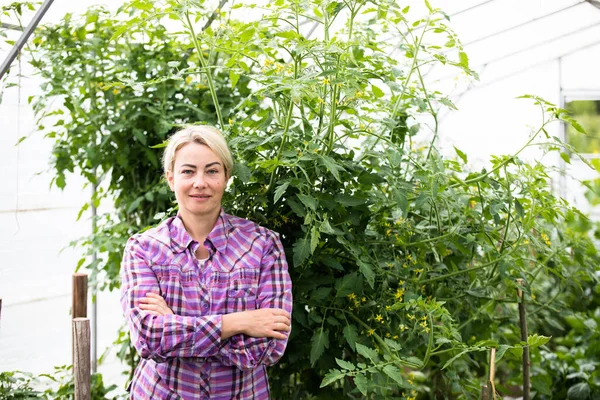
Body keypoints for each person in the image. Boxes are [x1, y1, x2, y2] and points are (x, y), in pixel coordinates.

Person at [120, 125, 293, 400]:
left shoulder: (262, 246)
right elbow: (148, 339)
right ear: (171, 178)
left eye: (212, 171)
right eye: (188, 171)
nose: (199, 182)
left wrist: (175, 327)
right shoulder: (144, 249)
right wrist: (238, 322)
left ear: (226, 177)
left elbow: (269, 347)